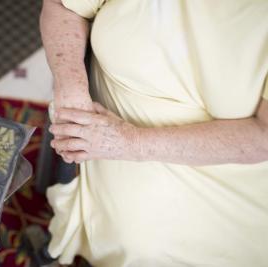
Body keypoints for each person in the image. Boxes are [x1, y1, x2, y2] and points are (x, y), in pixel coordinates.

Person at [40, 0, 268, 266]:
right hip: (110, 129)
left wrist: (129, 142)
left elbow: (264, 135)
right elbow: (62, 6)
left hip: (225, 159)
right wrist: (71, 87)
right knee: (137, 241)